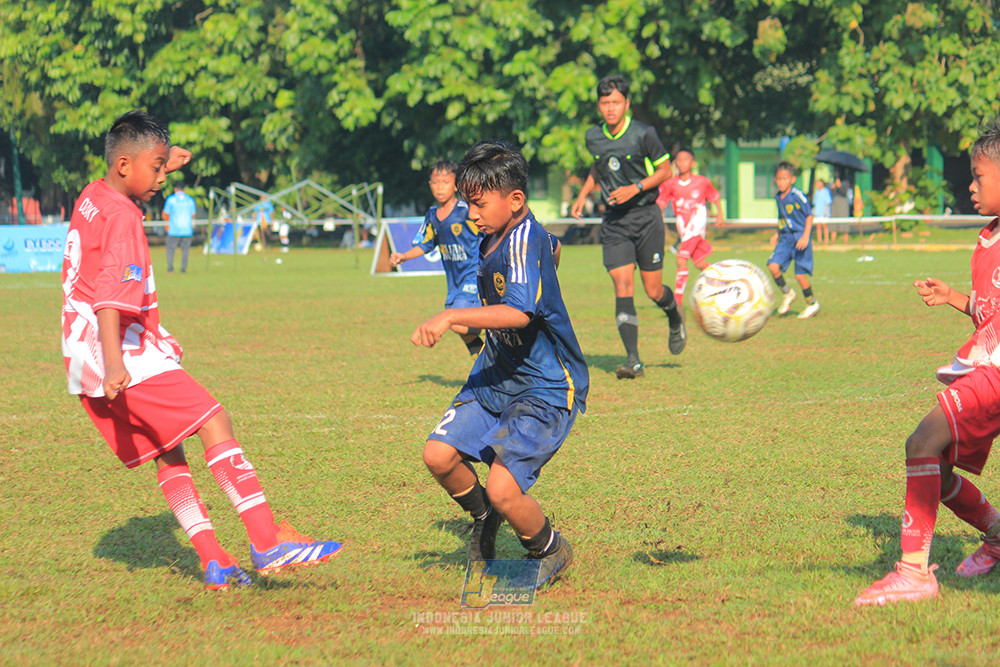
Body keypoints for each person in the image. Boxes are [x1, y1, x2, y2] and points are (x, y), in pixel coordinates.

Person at [60, 110, 342, 591]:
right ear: (125, 165)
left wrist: (165, 159)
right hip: (115, 349)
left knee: (169, 454)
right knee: (214, 420)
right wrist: (114, 364)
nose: (162, 177)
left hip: (79, 351)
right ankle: (266, 540)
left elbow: (100, 270)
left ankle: (215, 561)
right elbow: (110, 297)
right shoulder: (126, 218)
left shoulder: (93, 195)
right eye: (156, 168)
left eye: (164, 166)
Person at [412, 140, 588, 589]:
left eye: (478, 202)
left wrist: (452, 314)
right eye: (469, 202)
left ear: (516, 201)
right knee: (438, 455)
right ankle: (484, 518)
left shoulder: (525, 238)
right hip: (495, 374)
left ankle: (550, 549)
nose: (471, 212)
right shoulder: (495, 233)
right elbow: (555, 246)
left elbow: (519, 313)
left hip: (544, 388)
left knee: (504, 488)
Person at [855, 118, 1000, 606]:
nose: (970, 185)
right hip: (988, 367)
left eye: (979, 176)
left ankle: (914, 572)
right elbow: (989, 313)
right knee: (932, 463)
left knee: (922, 443)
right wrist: (955, 297)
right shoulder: (987, 239)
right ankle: (997, 535)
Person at [570, 73, 684, 380]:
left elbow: (665, 170)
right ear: (599, 104)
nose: (610, 108)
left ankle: (674, 316)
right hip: (615, 222)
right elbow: (599, 164)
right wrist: (583, 194)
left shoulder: (644, 134)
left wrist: (635, 188)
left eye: (616, 102)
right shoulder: (593, 136)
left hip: (646, 218)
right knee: (623, 285)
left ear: (627, 104)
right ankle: (633, 360)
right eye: (605, 102)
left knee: (653, 290)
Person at [390, 160, 486, 356]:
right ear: (430, 185)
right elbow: (425, 244)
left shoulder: (465, 211)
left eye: (445, 182)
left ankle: (499, 330)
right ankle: (489, 359)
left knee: (456, 322)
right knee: (460, 326)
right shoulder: (433, 215)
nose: (440, 187)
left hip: (474, 275)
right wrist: (404, 257)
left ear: (456, 185)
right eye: (435, 182)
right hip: (454, 282)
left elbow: (488, 234)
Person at [655, 149, 724, 305]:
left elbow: (714, 197)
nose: (681, 163)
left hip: (696, 226)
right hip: (684, 228)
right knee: (699, 262)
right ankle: (723, 283)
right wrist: (659, 214)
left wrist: (720, 215)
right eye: (678, 160)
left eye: (685, 160)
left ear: (692, 163)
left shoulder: (702, 182)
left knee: (681, 259)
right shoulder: (670, 183)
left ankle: (677, 302)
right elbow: (661, 201)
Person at [768, 162, 820, 319]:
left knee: (800, 275)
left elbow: (809, 215)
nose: (781, 182)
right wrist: (777, 233)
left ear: (792, 179)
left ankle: (812, 303)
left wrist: (805, 236)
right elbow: (782, 217)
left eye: (785, 179)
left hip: (799, 237)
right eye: (779, 179)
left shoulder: (797, 195)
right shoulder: (778, 196)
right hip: (785, 238)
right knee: (773, 266)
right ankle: (788, 293)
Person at [162, 181, 197, 273]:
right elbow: (193, 215)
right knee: (185, 251)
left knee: (170, 250)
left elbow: (165, 214)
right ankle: (183, 269)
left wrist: (167, 224)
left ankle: (170, 269)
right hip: (187, 230)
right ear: (184, 189)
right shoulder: (190, 200)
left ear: (175, 189)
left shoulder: (171, 199)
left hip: (173, 229)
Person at [812, 178, 833, 244]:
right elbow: (815, 202)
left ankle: (826, 240)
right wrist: (814, 210)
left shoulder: (826, 191)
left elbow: (828, 202)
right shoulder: (817, 192)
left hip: (824, 212)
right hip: (818, 212)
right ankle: (819, 240)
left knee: (825, 226)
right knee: (818, 226)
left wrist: (826, 211)